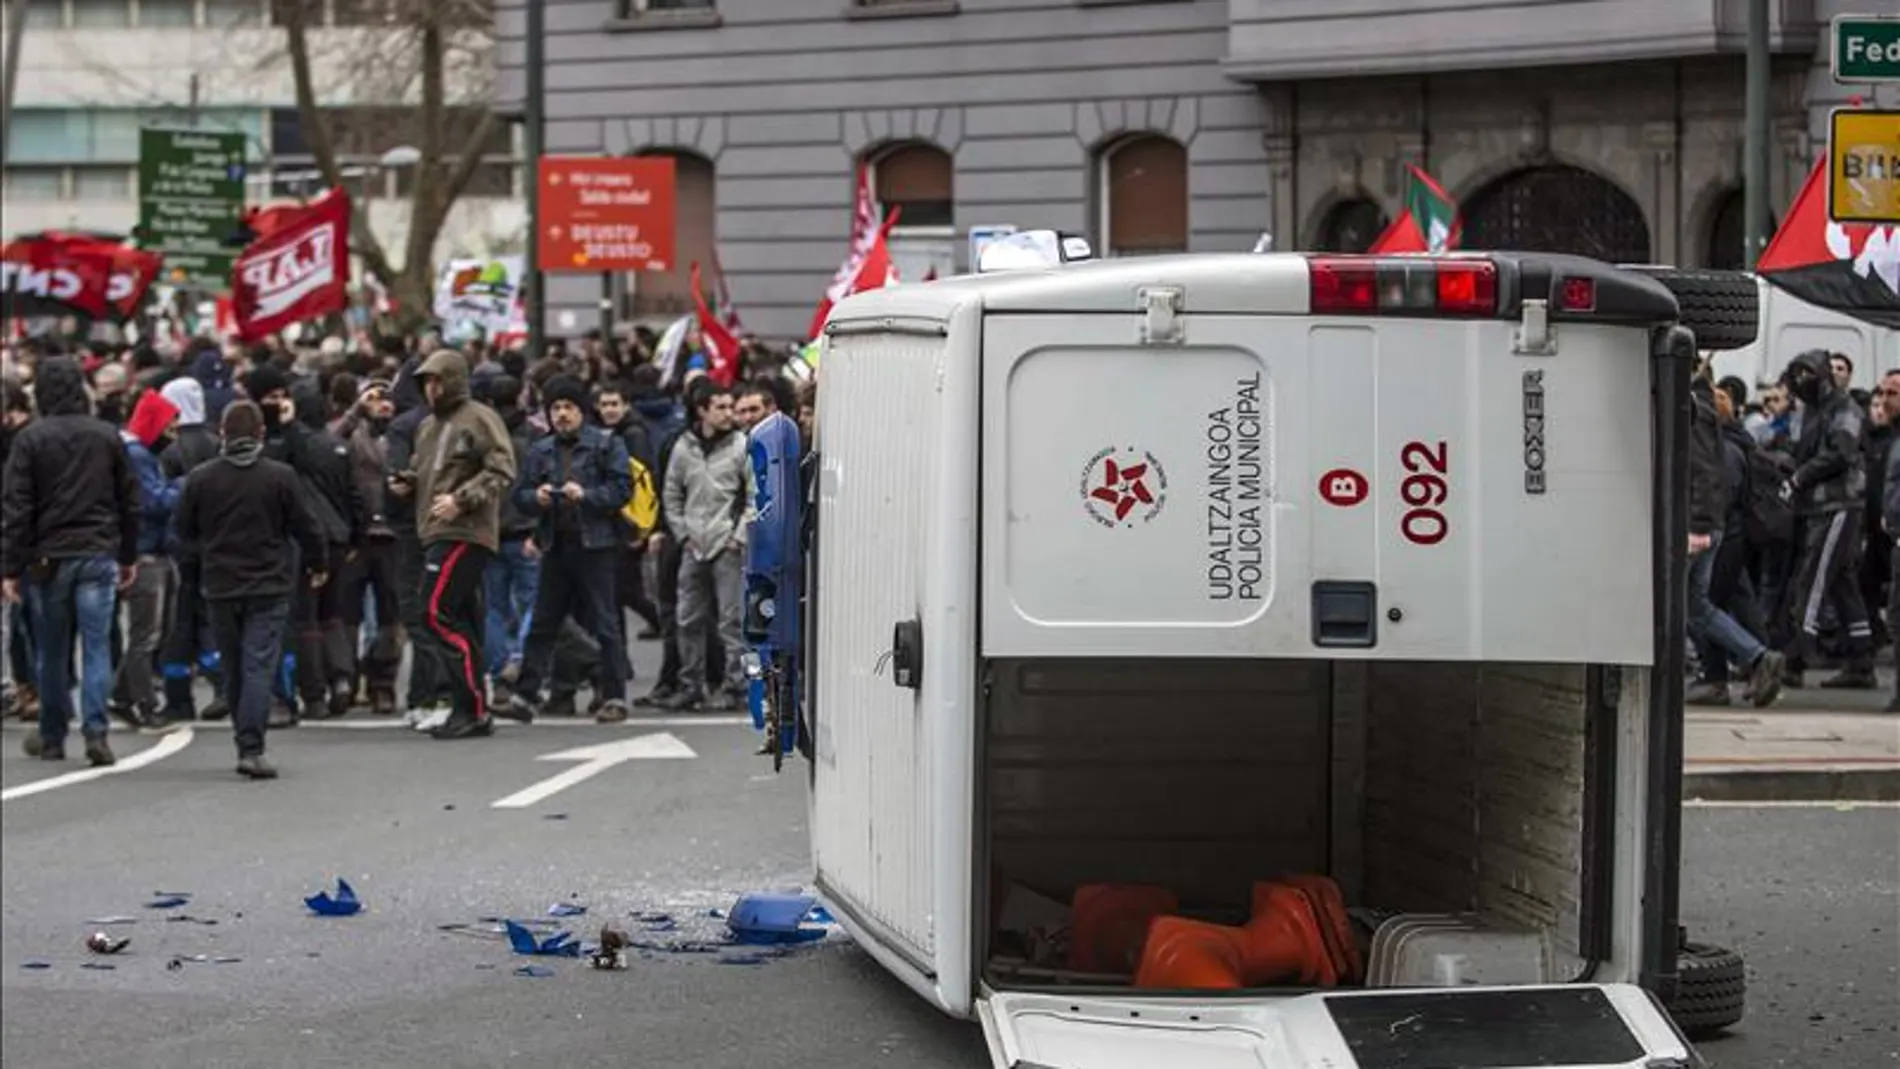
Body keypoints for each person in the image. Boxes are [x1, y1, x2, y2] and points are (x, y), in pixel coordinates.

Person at [0, 356, 141, 766]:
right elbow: (129, 500)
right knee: (96, 645)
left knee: (51, 649)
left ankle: (52, 732)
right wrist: (127, 553)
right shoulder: (106, 436)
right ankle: (95, 730)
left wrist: (9, 565)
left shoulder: (30, 439)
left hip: (46, 556)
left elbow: (17, 507)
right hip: (96, 548)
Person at [176, 401, 327, 779]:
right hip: (269, 580)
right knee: (259, 661)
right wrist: (318, 562)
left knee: (234, 665)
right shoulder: (279, 476)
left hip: (221, 582)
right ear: (261, 433)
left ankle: (243, 739)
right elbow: (306, 525)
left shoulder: (201, 478)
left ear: (222, 434)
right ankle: (252, 745)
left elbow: (184, 530)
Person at [402, 349, 519, 740]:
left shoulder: (480, 417)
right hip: (434, 530)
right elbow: (430, 474)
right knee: (461, 618)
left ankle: (470, 705)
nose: (431, 389)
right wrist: (408, 483)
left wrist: (462, 499)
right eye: (426, 382)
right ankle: (470, 706)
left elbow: (502, 469)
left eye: (437, 380)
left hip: (465, 531)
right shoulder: (427, 428)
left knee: (433, 611)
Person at [506, 375, 635, 724]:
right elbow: (520, 496)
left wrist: (587, 496)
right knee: (543, 623)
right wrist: (539, 497)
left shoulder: (606, 443)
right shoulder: (540, 450)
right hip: (556, 545)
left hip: (596, 545)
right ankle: (525, 694)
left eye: (568, 407)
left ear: (582, 411)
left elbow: (623, 490)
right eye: (556, 408)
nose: (562, 415)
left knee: (605, 622)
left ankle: (614, 696)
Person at [1779, 349, 1875, 688]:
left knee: (1813, 579)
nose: (1800, 382)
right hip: (1821, 506)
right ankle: (1862, 660)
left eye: (1807, 375)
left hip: (1837, 505)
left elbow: (1841, 452)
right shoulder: (1813, 412)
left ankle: (1795, 656)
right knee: (1840, 583)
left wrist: (1801, 476)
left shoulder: (1844, 408)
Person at [659, 378, 754, 711]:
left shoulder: (742, 445)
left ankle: (737, 686)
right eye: (721, 407)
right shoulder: (684, 447)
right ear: (702, 411)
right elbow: (671, 492)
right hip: (693, 543)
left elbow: (755, 495)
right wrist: (681, 533)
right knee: (688, 619)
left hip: (727, 543)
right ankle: (691, 684)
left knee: (732, 621)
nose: (729, 414)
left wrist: (738, 536)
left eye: (730, 407)